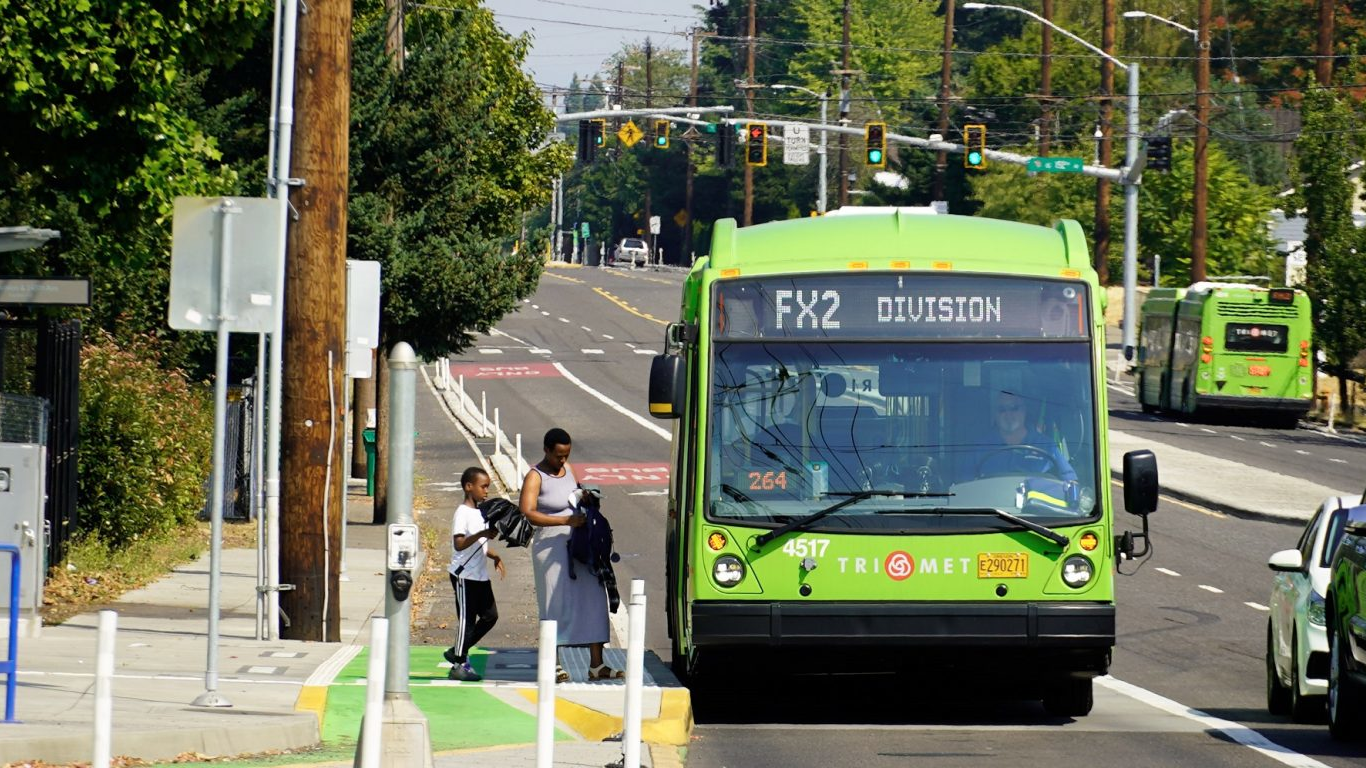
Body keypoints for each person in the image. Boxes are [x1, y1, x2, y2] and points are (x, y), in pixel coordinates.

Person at [519, 428, 622, 683]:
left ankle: (597, 665)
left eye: (566, 455)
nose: (562, 461)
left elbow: (573, 495)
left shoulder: (569, 470)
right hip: (549, 547)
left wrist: (585, 497)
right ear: (546, 450)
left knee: (594, 597)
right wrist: (565, 519)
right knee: (554, 603)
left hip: (578, 544)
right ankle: (552, 663)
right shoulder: (535, 476)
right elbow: (527, 511)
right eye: (558, 456)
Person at [445, 467, 505, 682]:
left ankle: (457, 650)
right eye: (483, 486)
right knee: (466, 620)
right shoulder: (462, 512)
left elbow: (480, 544)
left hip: (480, 575)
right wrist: (482, 533)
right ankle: (458, 664)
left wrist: (494, 555)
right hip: (464, 576)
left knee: (490, 616)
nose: (486, 491)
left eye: (488, 486)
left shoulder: (481, 513)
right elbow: (459, 543)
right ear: (468, 487)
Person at [968, 391, 1077, 483]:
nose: (1008, 414)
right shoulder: (980, 448)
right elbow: (963, 487)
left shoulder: (1047, 446)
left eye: (1014, 408)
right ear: (995, 415)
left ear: (1024, 410)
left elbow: (1071, 483)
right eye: (1002, 409)